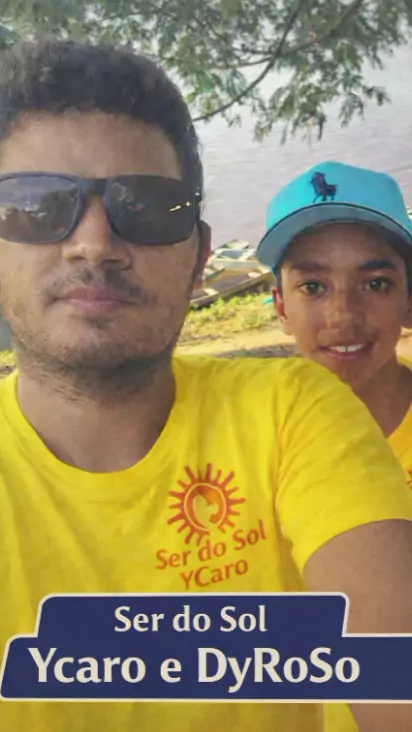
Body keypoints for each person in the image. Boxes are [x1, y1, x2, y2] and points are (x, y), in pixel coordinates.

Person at [0, 41, 411, 732]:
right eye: (35, 205)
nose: (94, 243)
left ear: (198, 257)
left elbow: (393, 671)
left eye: (147, 206)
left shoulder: (294, 409)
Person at [257, 160, 412, 730]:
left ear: (409, 300)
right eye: (313, 287)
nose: (344, 316)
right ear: (280, 304)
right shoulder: (248, 441)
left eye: (376, 284)